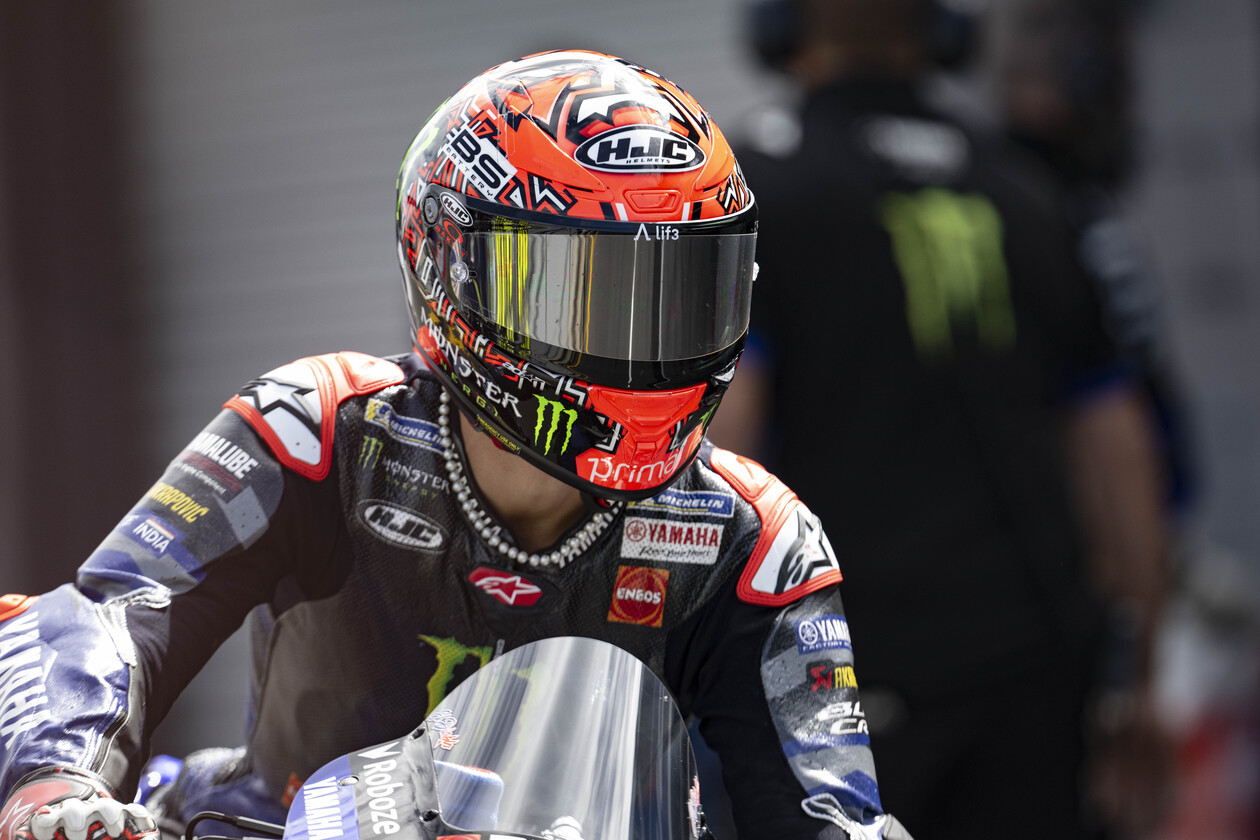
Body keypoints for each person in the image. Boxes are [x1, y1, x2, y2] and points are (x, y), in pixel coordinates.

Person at [0, 51, 912, 840]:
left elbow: (833, 809)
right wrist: (57, 780)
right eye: (583, 297)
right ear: (449, 266)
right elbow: (112, 607)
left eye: (676, 297)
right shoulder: (314, 431)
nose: (640, 348)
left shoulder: (755, 542)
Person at [709, 2, 1171, 837]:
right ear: (946, 29)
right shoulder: (1029, 190)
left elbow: (720, 448)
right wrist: (1139, 677)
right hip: (1039, 673)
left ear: (781, 27)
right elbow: (1116, 449)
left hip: (840, 676)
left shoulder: (755, 193)